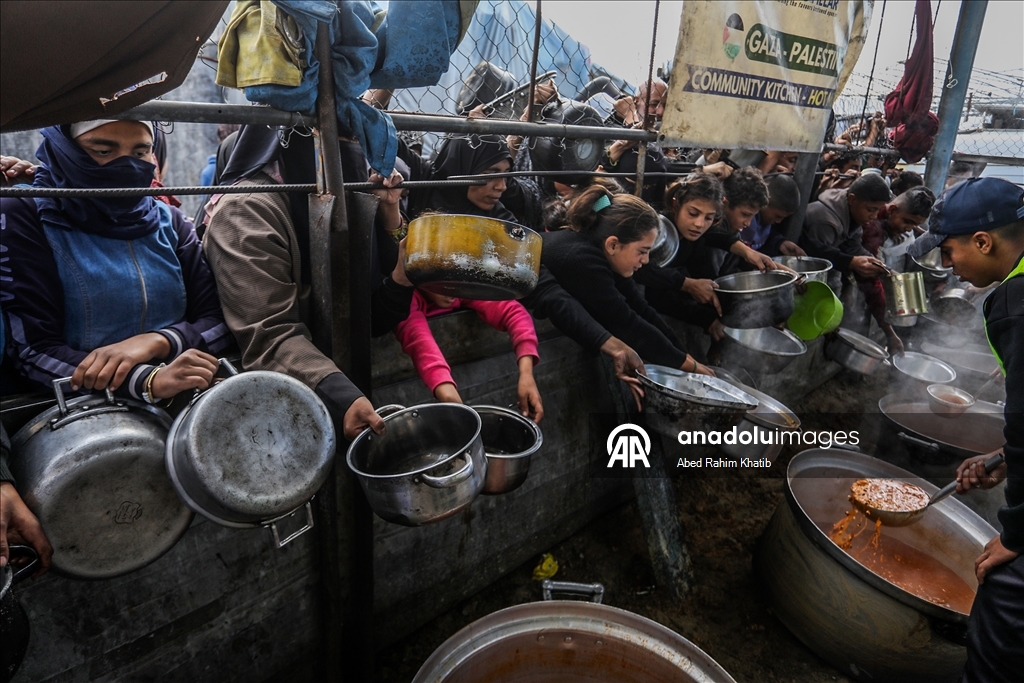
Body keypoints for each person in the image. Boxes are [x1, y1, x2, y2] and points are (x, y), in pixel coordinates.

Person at [202, 124, 414, 441]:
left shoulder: (344, 196)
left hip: (331, 380)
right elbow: (271, 334)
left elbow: (367, 310)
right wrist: (341, 395)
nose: (349, 153)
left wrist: (387, 213)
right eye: (335, 139)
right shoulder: (246, 212)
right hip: (267, 412)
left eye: (356, 140)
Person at [1, 120, 228, 402]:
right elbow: (32, 351)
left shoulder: (171, 221)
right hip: (78, 415)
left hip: (183, 400)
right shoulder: (25, 215)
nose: (127, 167)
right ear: (64, 150)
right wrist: (144, 380)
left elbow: (219, 321)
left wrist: (158, 342)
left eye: (139, 153)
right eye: (103, 151)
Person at [911, 177, 1024, 682]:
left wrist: (1018, 533)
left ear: (984, 241)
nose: (948, 263)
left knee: (1003, 594)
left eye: (950, 250)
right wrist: (1005, 458)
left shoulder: (1016, 302)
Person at [539, 184, 712, 375]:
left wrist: (685, 356)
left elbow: (641, 308)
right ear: (613, 244)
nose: (645, 261)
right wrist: (689, 368)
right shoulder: (580, 259)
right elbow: (625, 322)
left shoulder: (603, 254)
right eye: (642, 251)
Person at [636, 173, 776, 341]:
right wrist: (688, 285)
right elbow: (651, 287)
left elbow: (712, 248)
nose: (699, 224)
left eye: (708, 218)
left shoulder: (694, 240)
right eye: (693, 213)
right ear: (676, 205)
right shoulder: (657, 233)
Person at [395, 284, 543, 422]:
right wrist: (450, 397)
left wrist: (526, 374)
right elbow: (420, 342)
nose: (453, 289)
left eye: (456, 277)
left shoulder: (460, 287)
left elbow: (513, 312)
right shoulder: (405, 300)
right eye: (444, 281)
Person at [801, 173, 892, 283]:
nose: (874, 216)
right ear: (852, 199)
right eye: (871, 210)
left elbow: (852, 247)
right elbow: (817, 258)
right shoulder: (826, 221)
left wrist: (882, 267)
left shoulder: (852, 212)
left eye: (878, 210)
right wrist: (851, 262)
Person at [739, 173, 805, 257]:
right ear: (766, 202)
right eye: (778, 216)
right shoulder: (743, 220)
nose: (778, 221)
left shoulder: (766, 221)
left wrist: (780, 243)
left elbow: (768, 236)